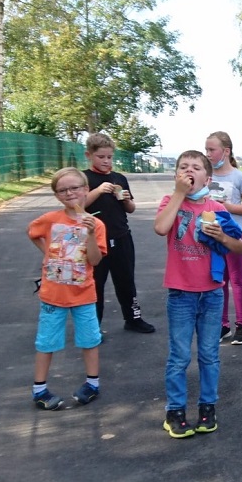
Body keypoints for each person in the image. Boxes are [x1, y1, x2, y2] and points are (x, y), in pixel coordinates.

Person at [154, 150, 242, 438]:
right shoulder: (171, 202)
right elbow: (160, 228)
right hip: (181, 293)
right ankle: (175, 411)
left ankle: (208, 407)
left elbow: (239, 247)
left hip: (212, 293)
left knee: (209, 354)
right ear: (176, 175)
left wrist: (222, 236)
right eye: (183, 167)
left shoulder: (217, 208)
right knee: (179, 355)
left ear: (208, 176)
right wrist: (179, 194)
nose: (189, 171)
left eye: (196, 167)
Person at [28, 167, 107, 410]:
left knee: (89, 340)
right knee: (46, 341)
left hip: (83, 294)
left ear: (86, 190)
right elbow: (32, 232)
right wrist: (47, 256)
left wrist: (91, 233)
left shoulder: (97, 224)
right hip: (53, 295)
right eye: (62, 190)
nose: (69, 193)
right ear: (57, 195)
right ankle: (39, 389)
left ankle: (92, 383)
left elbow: (95, 260)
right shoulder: (51, 219)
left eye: (74, 188)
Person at [82, 133, 155, 334]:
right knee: (95, 284)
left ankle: (133, 318)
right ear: (89, 155)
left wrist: (124, 198)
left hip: (122, 237)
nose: (106, 161)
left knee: (126, 281)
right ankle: (93, 326)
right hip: (95, 242)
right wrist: (98, 191)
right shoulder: (84, 178)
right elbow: (78, 205)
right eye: (101, 157)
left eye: (109, 157)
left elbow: (130, 208)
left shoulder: (119, 178)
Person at [205, 131, 242, 345]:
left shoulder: (239, 177)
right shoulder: (206, 176)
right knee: (219, 280)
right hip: (211, 234)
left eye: (211, 149)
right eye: (206, 149)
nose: (207, 154)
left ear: (225, 151)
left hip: (235, 234)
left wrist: (227, 207)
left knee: (236, 280)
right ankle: (223, 324)